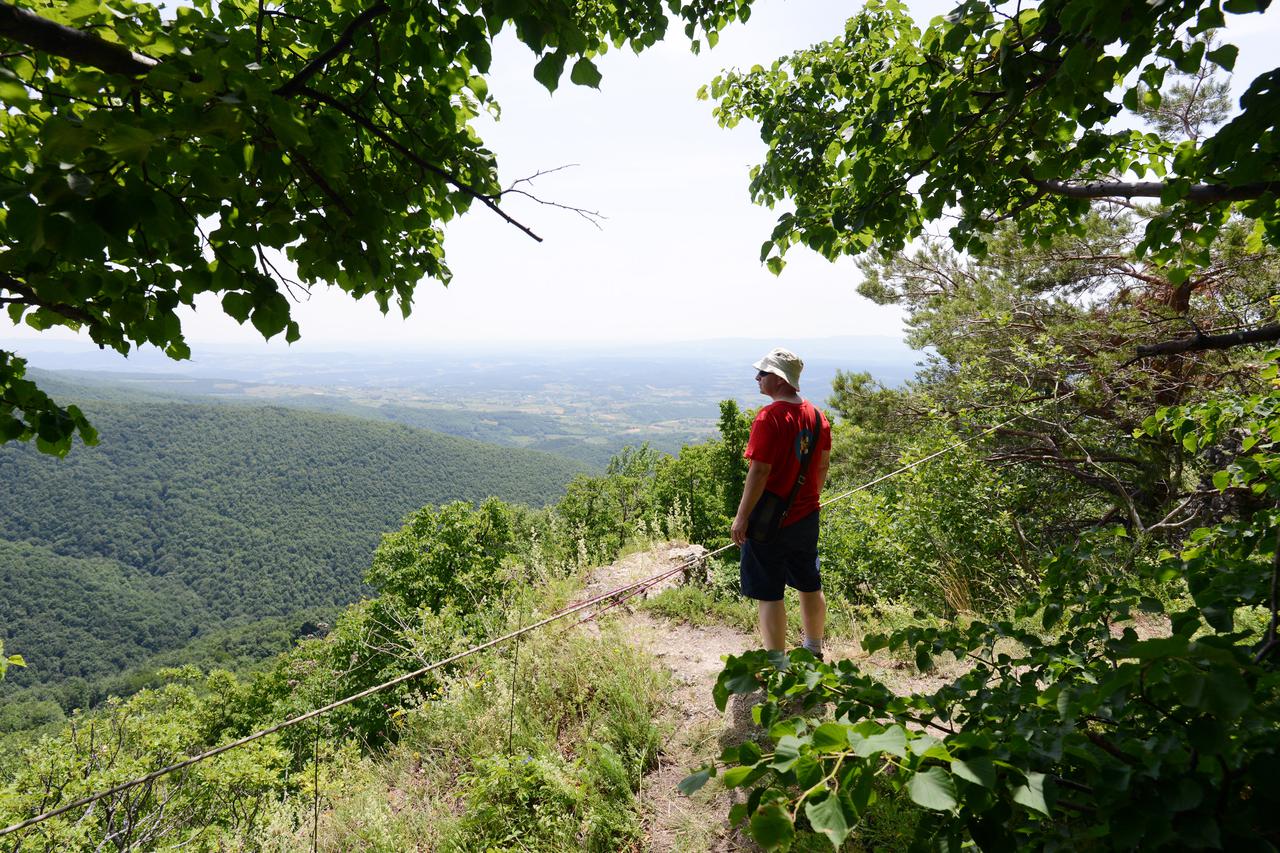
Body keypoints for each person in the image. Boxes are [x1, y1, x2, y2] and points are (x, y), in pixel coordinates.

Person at [730, 347, 832, 657]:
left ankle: (777, 664)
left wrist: (741, 518)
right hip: (806, 517)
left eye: (762, 373)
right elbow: (822, 466)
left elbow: (760, 471)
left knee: (769, 592)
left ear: (778, 379)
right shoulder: (817, 417)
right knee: (809, 583)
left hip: (768, 521)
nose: (757, 378)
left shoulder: (769, 417)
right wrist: (808, 498)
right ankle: (813, 649)